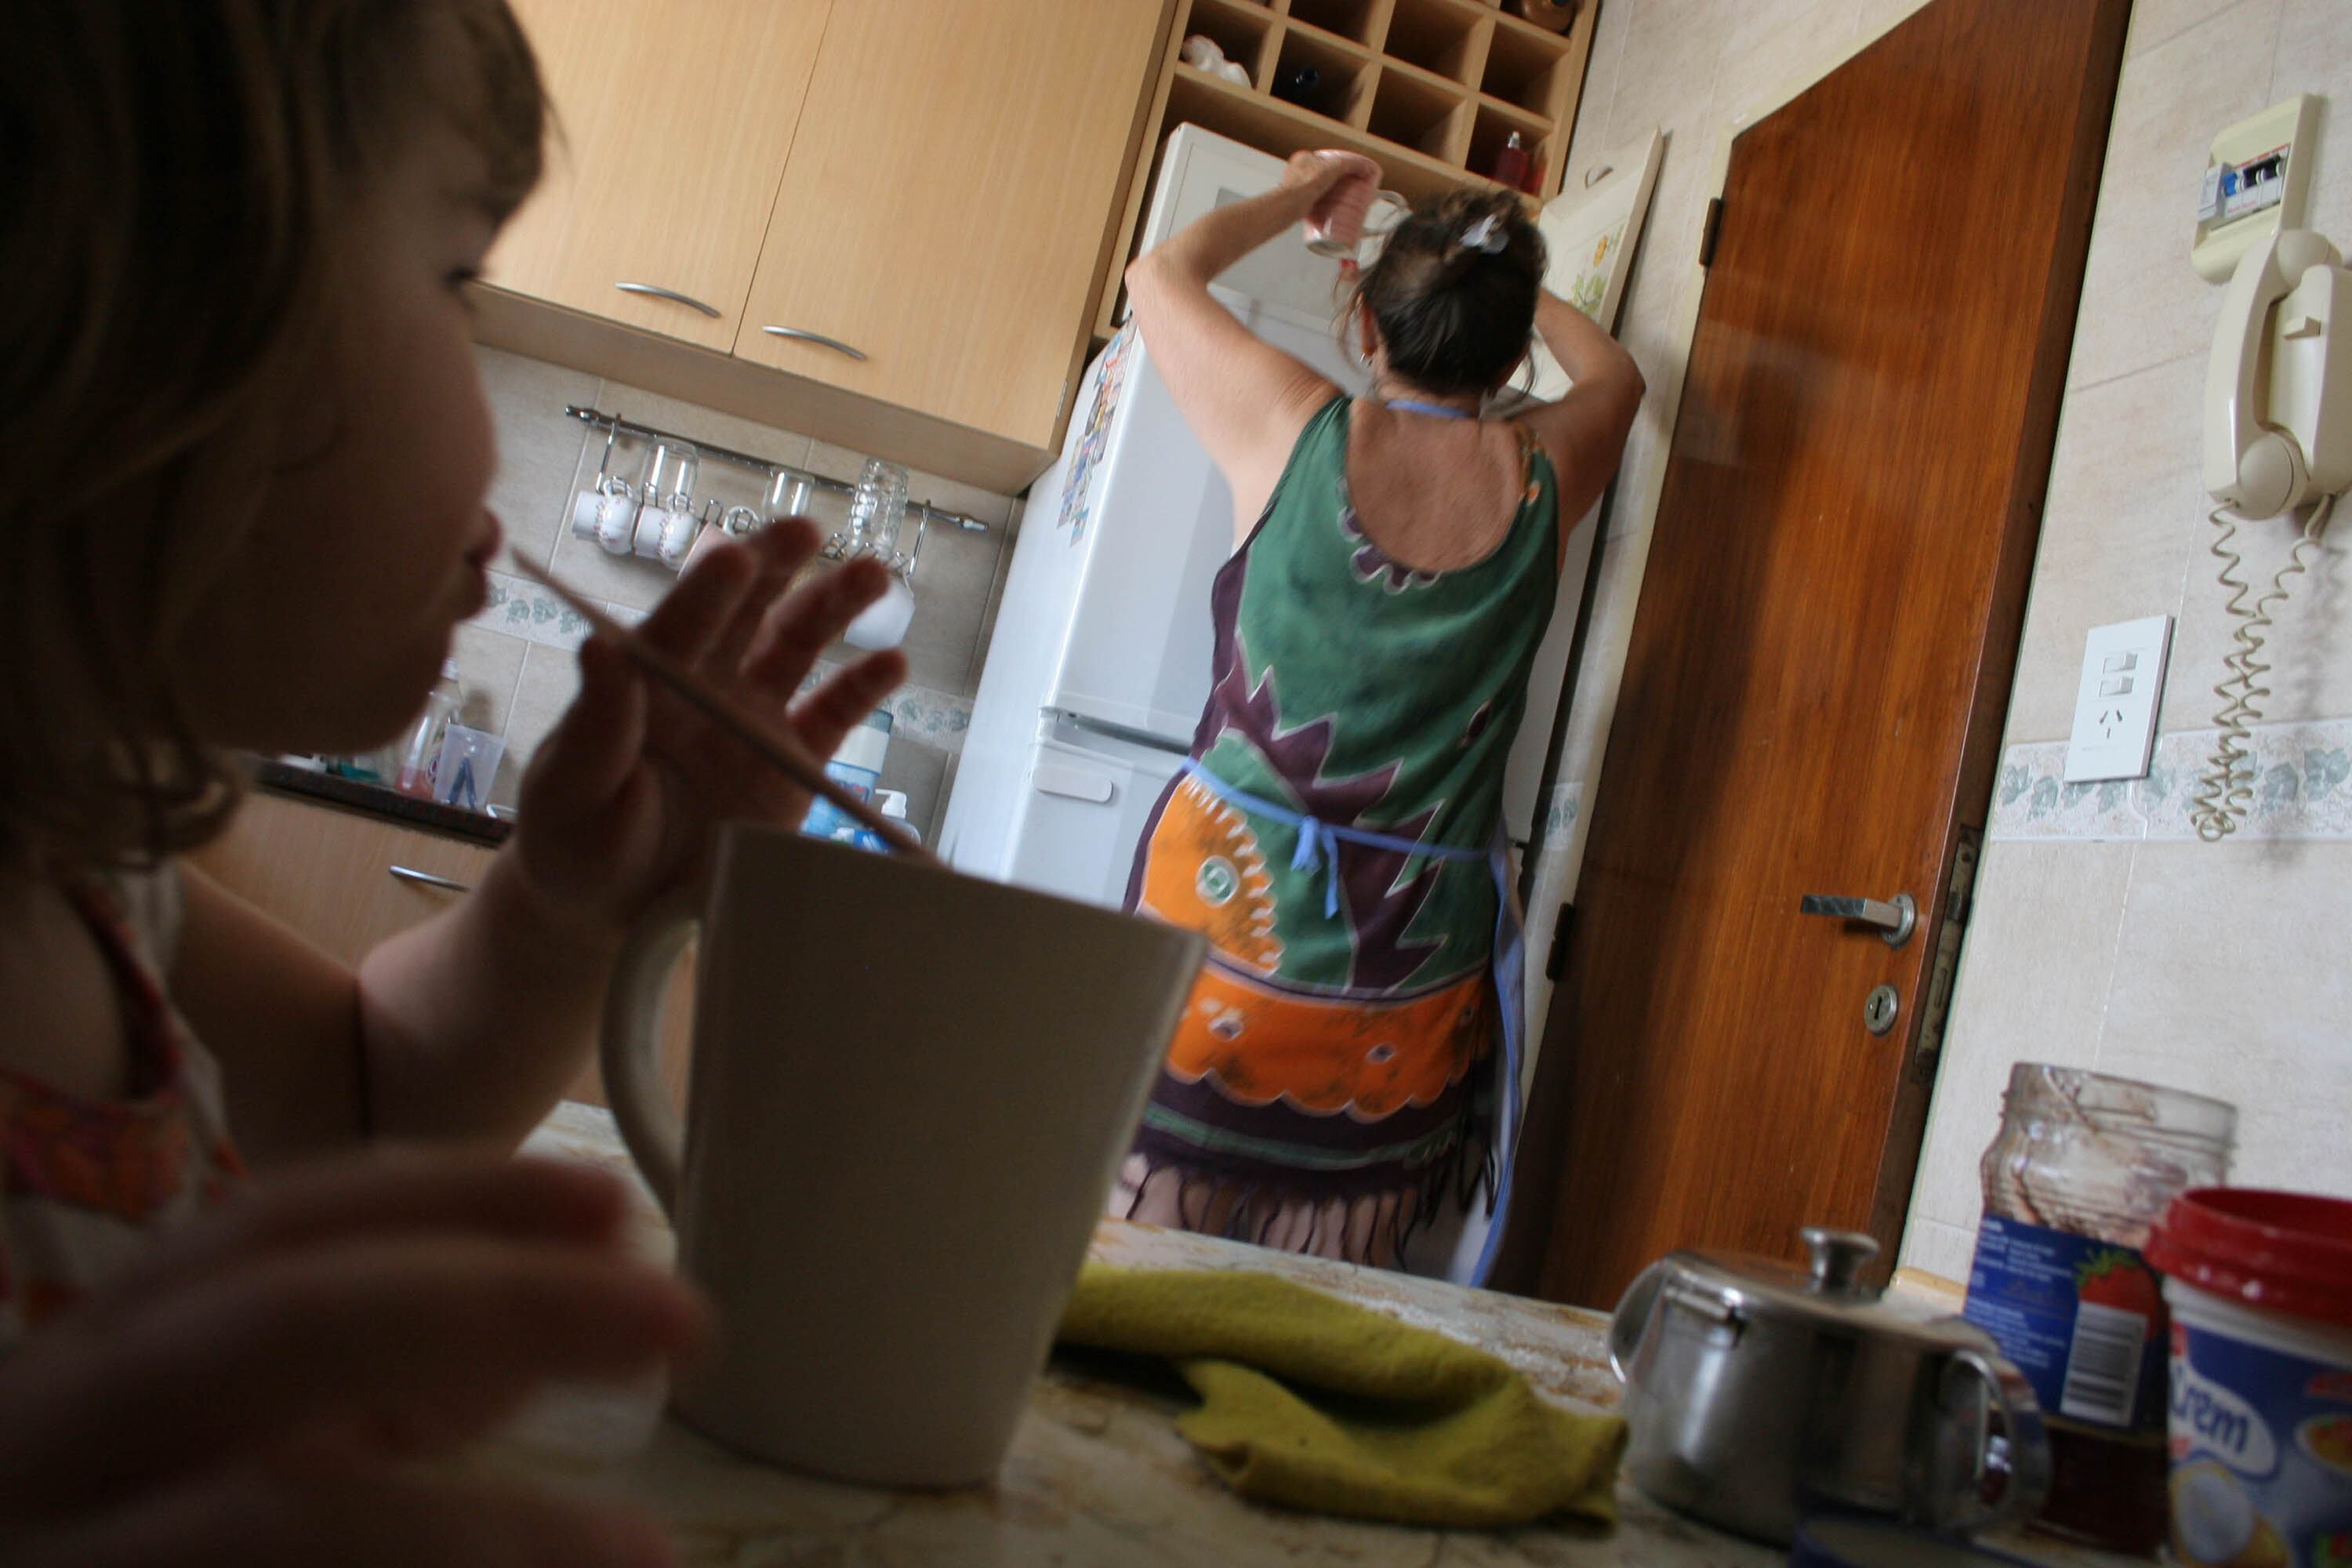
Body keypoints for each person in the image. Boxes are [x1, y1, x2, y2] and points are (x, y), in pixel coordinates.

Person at [0, 4, 906, 1559]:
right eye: (454, 281)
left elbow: (363, 1103)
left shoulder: (97, 897)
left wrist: (562, 919)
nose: (484, 407)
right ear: (147, 307)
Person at [1112, 154, 1643, 1276]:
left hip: (1214, 966)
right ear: (1510, 360)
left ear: (1365, 320)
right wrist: (1491, 274)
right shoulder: (1547, 472)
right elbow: (1620, 377)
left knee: (1128, 1291)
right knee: (1319, 1318)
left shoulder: (1291, 431)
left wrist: (1305, 188)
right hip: (1399, 1009)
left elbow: (1159, 273)